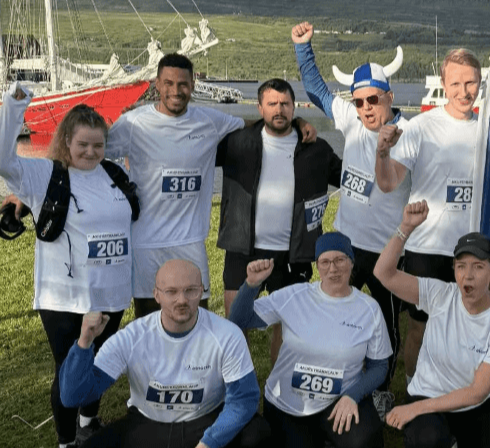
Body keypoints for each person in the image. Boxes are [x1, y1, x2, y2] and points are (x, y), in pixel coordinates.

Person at [104, 53, 315, 318]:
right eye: (168, 83)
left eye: (183, 84)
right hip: (146, 244)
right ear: (156, 84)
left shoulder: (210, 121)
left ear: (192, 84)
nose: (176, 91)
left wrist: (296, 121)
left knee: (194, 320)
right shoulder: (134, 123)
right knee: (147, 323)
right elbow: (92, 151)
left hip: (191, 243)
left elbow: (257, 126)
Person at [0, 83, 135, 448]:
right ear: (66, 142)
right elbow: (2, 160)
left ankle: (89, 421)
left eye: (98, 145)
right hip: (64, 298)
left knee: (99, 363)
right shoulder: (45, 175)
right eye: (83, 145)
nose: (91, 152)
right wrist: (14, 106)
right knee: (69, 370)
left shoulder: (113, 174)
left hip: (111, 293)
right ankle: (66, 443)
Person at [293, 21, 410, 416]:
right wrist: (303, 47)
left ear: (389, 96)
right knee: (329, 311)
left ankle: (381, 388)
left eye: (373, 100)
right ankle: (328, 377)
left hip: (385, 252)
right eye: (359, 102)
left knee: (387, 324)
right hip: (344, 243)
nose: (366, 109)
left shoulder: (408, 132)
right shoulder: (350, 120)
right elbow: (316, 89)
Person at [59, 260, 270, 448]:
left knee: (257, 434)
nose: (182, 300)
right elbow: (73, 396)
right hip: (148, 422)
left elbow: (244, 399)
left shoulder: (226, 334)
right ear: (156, 295)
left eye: (191, 290)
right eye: (171, 292)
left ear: (201, 291)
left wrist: (208, 444)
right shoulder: (132, 337)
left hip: (204, 418)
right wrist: (85, 341)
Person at [374, 201, 490, 448]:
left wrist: (415, 409)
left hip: (472, 404)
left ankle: (456, 445)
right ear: (453, 270)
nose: (468, 275)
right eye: (461, 266)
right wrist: (405, 227)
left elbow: (477, 391)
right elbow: (384, 273)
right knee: (427, 441)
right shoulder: (440, 294)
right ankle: (439, 446)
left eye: (478, 267)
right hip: (429, 391)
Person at [229, 232, 392, 448]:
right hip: (288, 403)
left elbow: (379, 366)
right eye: (325, 262)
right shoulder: (295, 295)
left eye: (340, 260)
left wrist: (352, 396)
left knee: (362, 443)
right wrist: (251, 284)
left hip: (338, 400)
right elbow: (239, 320)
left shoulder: (369, 309)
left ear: (351, 262)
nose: (333, 269)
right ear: (317, 266)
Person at [374, 48, 483, 390]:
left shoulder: (489, 128)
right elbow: (389, 182)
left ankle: (460, 394)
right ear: (443, 83)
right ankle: (414, 390)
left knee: (467, 327)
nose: (464, 92)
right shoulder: (422, 126)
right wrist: (382, 152)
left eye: (471, 83)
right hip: (428, 246)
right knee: (420, 328)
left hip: (471, 249)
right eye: (455, 84)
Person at [215, 77, 341, 365]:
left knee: (286, 328)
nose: (279, 110)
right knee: (235, 325)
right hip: (242, 248)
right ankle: (239, 391)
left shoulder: (316, 149)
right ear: (259, 108)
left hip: (293, 252)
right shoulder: (237, 143)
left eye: (285, 104)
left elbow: (349, 176)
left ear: (294, 107)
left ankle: (277, 393)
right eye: (272, 104)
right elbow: (195, 150)